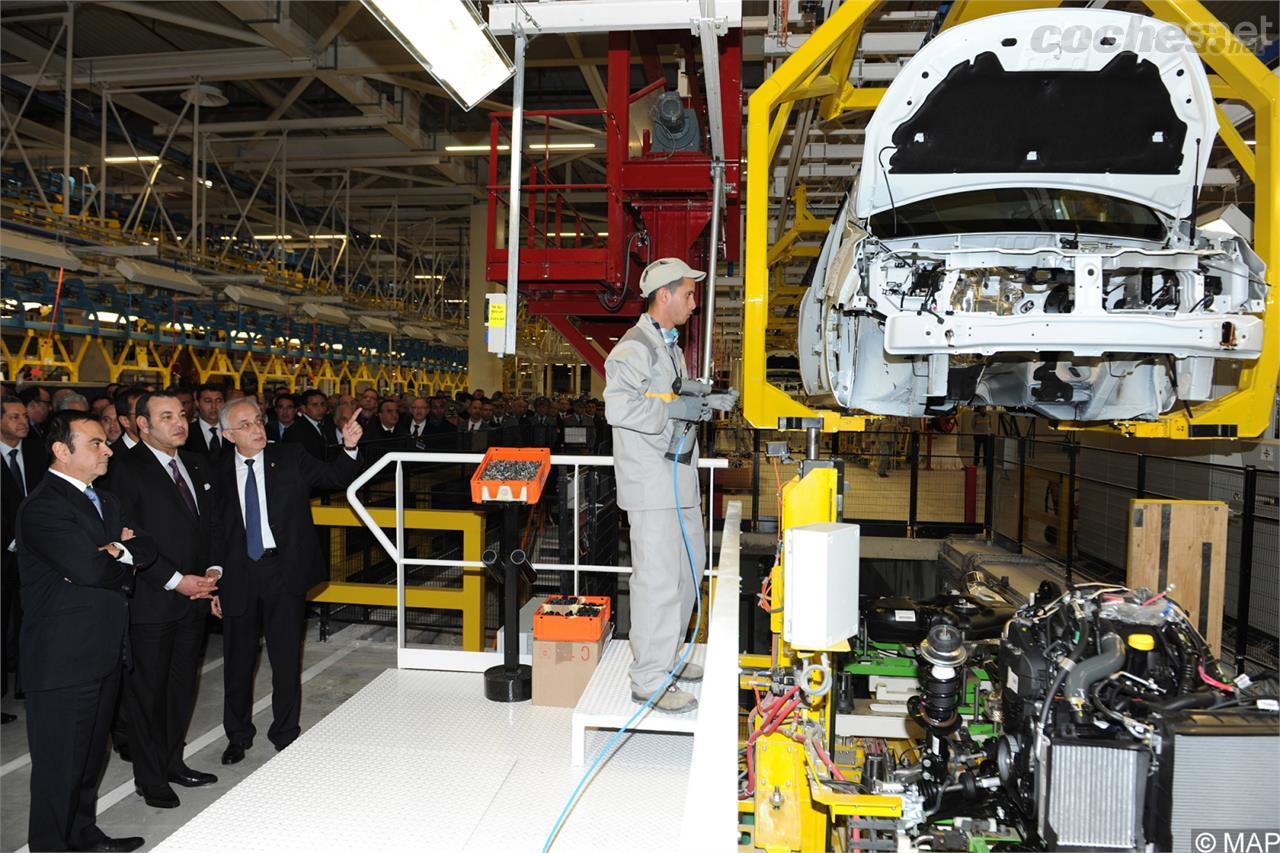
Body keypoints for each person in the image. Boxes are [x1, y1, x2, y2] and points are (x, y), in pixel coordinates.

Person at [17, 410, 157, 852]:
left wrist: (115, 549)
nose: (108, 450)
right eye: (96, 443)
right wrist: (119, 554)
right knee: (60, 767)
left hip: (103, 651)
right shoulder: (43, 508)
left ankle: (81, 836)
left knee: (89, 760)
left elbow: (146, 548)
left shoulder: (105, 501)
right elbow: (88, 568)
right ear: (62, 451)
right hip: (63, 661)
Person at [603, 257, 736, 713]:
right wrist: (673, 412)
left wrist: (702, 400)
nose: (694, 303)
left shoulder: (670, 347)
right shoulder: (633, 348)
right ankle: (649, 679)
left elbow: (668, 397)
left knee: (687, 572)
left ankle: (671, 658)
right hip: (652, 486)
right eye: (689, 294)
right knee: (657, 581)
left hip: (678, 481)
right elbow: (619, 408)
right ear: (664, 295)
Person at [210, 399, 364, 764]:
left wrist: (350, 446)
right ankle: (237, 735)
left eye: (258, 421)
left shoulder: (291, 456)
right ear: (229, 435)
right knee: (238, 662)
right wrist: (213, 577)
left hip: (283, 572)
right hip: (238, 576)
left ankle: (285, 733)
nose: (257, 429)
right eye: (245, 425)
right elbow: (212, 531)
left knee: (285, 658)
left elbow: (335, 477)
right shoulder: (213, 470)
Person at [108, 391, 220, 810]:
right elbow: (128, 538)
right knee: (147, 695)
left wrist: (214, 572)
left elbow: (210, 525)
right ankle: (150, 778)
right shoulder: (124, 471)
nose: (180, 423)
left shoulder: (193, 463)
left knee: (180, 689)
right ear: (142, 425)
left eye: (182, 415)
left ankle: (174, 762)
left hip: (194, 599)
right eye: (167, 416)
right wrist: (176, 581)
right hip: (153, 602)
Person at [2, 395, 48, 724]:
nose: (23, 422)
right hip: (3, 551)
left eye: (23, 416)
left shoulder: (35, 452)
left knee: (30, 619)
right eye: (14, 417)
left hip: (35, 552)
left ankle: (26, 684)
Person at [283, 389, 334, 460]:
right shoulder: (294, 431)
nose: (320, 408)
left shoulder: (329, 425)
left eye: (323, 404)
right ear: (303, 408)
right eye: (315, 405)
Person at [184, 384, 226, 458]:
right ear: (197, 403)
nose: (214, 406)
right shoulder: (186, 433)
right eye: (208, 401)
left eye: (219, 401)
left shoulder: (233, 430)